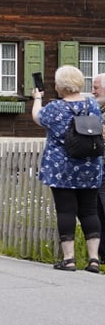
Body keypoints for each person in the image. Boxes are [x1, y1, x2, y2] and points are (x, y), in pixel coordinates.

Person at [32, 65, 102, 273]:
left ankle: (69, 259)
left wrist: (37, 98)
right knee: (90, 211)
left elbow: (38, 118)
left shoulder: (55, 108)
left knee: (66, 211)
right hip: (90, 165)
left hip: (61, 167)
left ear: (60, 86)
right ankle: (94, 260)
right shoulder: (93, 105)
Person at [92, 72, 105, 263]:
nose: (92, 91)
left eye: (96, 87)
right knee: (99, 212)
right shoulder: (99, 110)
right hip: (99, 168)